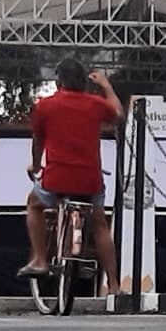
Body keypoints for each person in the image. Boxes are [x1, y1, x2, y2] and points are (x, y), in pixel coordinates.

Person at [25, 55, 125, 298]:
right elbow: (119, 115)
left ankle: (39, 259)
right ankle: (113, 284)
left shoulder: (45, 106)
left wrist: (36, 165)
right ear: (84, 83)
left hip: (56, 179)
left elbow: (38, 142)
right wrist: (106, 85)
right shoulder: (95, 104)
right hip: (90, 181)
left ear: (59, 81)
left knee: (34, 205)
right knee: (100, 224)